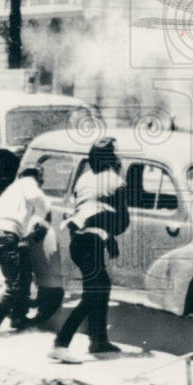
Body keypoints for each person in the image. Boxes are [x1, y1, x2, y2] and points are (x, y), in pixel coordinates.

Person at [49, 137, 130, 363]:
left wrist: (105, 229)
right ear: (112, 158)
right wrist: (111, 227)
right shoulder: (116, 181)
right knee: (94, 293)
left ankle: (98, 339)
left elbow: (85, 209)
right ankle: (60, 344)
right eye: (117, 154)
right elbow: (123, 222)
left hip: (79, 242)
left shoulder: (84, 178)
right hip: (92, 244)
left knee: (99, 288)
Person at [0, 164, 52, 336]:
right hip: (6, 237)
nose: (42, 181)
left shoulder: (13, 189)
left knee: (24, 275)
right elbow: (42, 204)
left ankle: (19, 317)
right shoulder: (28, 184)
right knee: (16, 284)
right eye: (41, 177)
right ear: (35, 176)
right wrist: (44, 221)